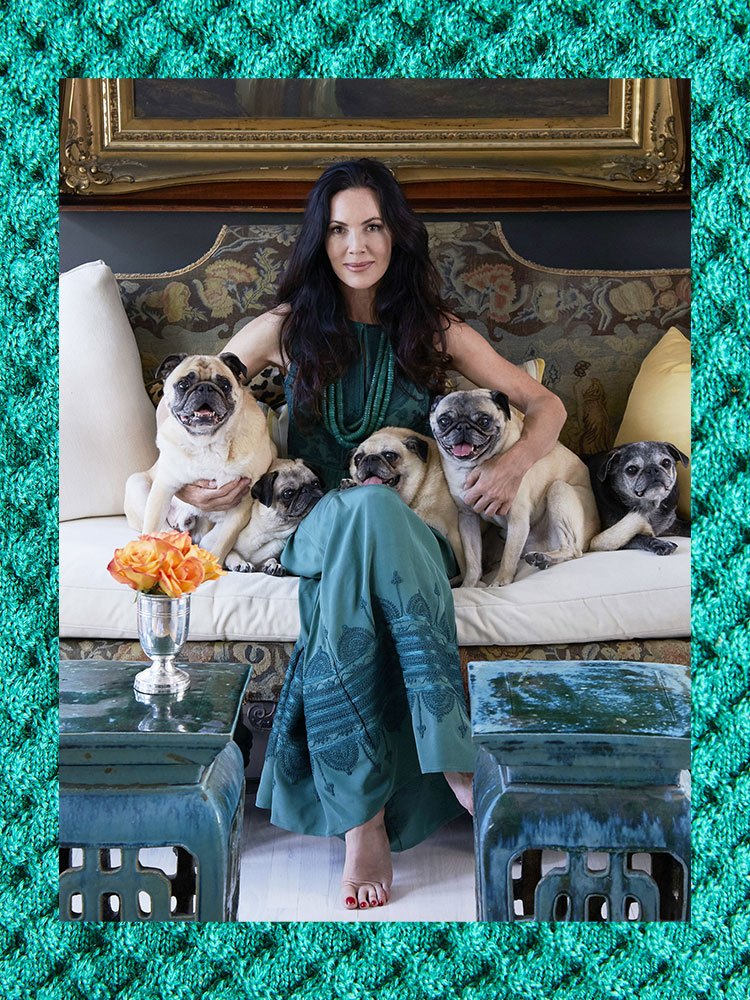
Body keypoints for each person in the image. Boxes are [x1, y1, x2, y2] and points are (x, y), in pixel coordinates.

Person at [176, 158, 567, 910]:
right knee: (363, 508)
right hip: (315, 525)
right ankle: (450, 752)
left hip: (419, 534)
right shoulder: (285, 327)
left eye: (372, 227)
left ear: (397, 236)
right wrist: (199, 478)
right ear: (319, 242)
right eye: (338, 230)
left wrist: (516, 464)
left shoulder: (438, 331)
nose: (356, 245)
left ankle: (362, 821)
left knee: (380, 512)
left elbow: (542, 404)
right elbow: (197, 394)